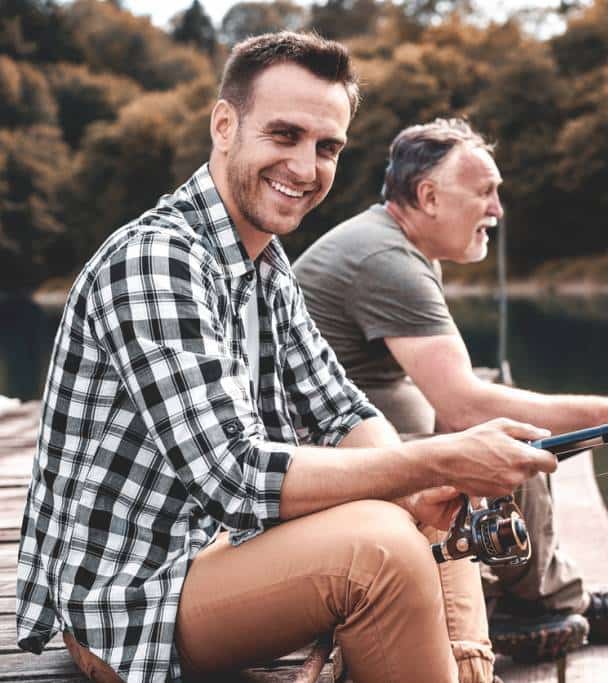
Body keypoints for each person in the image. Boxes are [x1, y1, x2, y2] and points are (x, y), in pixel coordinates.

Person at [16, 34, 555, 683]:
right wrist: (433, 459)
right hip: (131, 606)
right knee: (382, 549)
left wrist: (422, 485)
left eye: (327, 147)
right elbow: (236, 476)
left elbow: (340, 408)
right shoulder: (157, 260)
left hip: (216, 552)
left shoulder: (265, 268)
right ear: (224, 125)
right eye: (284, 135)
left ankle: (469, 674)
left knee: (429, 510)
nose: (306, 167)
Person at [293, 118, 608, 661]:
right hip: (329, 471)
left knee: (502, 420)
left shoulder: (391, 244)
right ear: (429, 196)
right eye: (485, 192)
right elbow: (464, 404)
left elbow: (450, 395)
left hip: (352, 449)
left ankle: (535, 591)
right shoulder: (385, 259)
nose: (498, 210)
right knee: (509, 438)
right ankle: (541, 601)